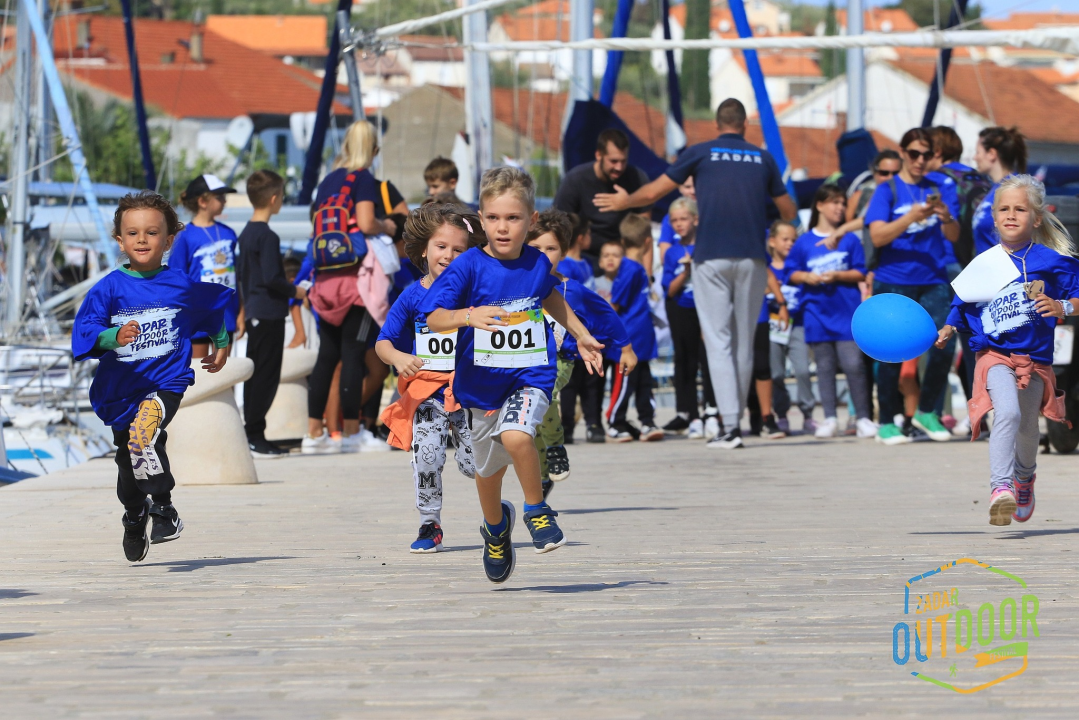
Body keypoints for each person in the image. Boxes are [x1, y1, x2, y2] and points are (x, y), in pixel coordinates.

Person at [422, 167, 604, 584]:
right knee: (488, 473)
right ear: (482, 220)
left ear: (531, 220)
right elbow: (433, 317)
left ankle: (537, 511)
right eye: (494, 218)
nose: (503, 228)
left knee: (518, 435)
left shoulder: (538, 263)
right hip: (481, 386)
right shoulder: (468, 266)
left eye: (513, 218)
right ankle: (496, 529)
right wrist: (469, 316)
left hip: (530, 373)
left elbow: (551, 297)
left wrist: (582, 334)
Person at [594, 98, 798, 449]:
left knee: (718, 341)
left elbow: (657, 190)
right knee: (744, 342)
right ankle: (740, 424)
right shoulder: (762, 157)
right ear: (744, 125)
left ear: (717, 125)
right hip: (752, 257)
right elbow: (789, 210)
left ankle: (729, 426)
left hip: (711, 258)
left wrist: (624, 203)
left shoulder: (700, 152)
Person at [72, 191, 232, 562]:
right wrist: (114, 336)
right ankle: (134, 513)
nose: (141, 240)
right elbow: (86, 330)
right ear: (120, 240)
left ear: (169, 239)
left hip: (166, 382)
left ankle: (163, 507)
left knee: (146, 431)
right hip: (121, 390)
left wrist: (220, 341)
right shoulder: (109, 287)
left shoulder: (178, 283)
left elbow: (207, 309)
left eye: (151, 232)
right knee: (130, 456)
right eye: (132, 233)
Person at [936, 175, 1079, 526]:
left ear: (1037, 218)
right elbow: (961, 302)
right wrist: (948, 327)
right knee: (1008, 415)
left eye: (1020, 208)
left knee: (1029, 427)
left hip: (1036, 359)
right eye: (1004, 209)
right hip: (994, 355)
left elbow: (1075, 297)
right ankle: (1001, 489)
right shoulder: (984, 262)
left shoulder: (1053, 261)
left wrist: (1064, 308)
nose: (1011, 215)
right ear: (994, 217)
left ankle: (1024, 478)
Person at [377, 204, 484, 553]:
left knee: (475, 465)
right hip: (427, 393)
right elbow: (383, 343)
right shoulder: (412, 295)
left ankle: (498, 513)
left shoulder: (477, 293)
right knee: (426, 457)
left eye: (459, 249)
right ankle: (429, 523)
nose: (448, 255)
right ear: (424, 248)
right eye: (441, 247)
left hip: (470, 394)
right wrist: (398, 357)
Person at [304, 120, 398, 454]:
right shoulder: (364, 179)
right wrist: (387, 225)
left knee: (326, 358)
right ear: (372, 150)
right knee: (353, 356)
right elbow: (368, 221)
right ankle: (352, 432)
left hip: (326, 279)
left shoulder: (328, 180)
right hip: (356, 281)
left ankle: (314, 434)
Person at [528, 208, 636, 497]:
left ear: (563, 252)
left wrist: (625, 347)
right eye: (535, 248)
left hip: (561, 361)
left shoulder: (570, 289)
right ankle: (541, 475)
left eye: (550, 249)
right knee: (530, 423)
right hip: (525, 362)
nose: (542, 254)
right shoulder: (515, 287)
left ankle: (555, 446)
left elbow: (606, 313)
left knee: (544, 392)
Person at [865, 127, 961, 445]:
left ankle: (926, 410)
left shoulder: (939, 186)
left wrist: (946, 216)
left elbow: (954, 237)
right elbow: (877, 236)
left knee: (943, 342)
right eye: (914, 154)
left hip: (933, 277)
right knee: (888, 350)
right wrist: (911, 218)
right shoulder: (887, 190)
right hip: (893, 279)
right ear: (903, 153)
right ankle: (886, 421)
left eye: (927, 154)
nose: (920, 161)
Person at [787, 184, 876, 439]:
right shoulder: (804, 241)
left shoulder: (848, 239)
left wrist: (837, 274)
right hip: (816, 313)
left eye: (842, 203)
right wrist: (806, 276)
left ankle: (863, 418)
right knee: (824, 367)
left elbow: (860, 271)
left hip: (846, 312)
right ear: (820, 205)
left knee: (853, 364)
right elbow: (790, 272)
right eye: (834, 202)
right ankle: (828, 418)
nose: (839, 208)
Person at [237, 170, 306, 458]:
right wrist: (296, 291)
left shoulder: (245, 233)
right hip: (268, 313)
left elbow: (242, 277)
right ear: (275, 199)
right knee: (266, 376)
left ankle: (254, 432)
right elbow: (272, 278)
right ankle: (254, 435)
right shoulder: (267, 236)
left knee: (257, 375)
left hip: (254, 311)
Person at [603, 215, 662, 442]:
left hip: (642, 336)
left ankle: (647, 421)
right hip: (629, 338)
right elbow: (614, 306)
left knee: (645, 382)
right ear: (648, 242)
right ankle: (615, 422)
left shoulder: (633, 269)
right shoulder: (630, 269)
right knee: (625, 383)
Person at [170, 174, 240, 360]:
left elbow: (236, 277)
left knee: (226, 375)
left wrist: (241, 312)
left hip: (227, 315)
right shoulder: (183, 236)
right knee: (198, 377)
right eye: (219, 197)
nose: (224, 200)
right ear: (202, 201)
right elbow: (175, 279)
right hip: (196, 316)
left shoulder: (229, 233)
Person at [661, 197, 714, 438]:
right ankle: (692, 414)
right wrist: (686, 271)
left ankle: (712, 410)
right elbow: (669, 290)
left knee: (709, 360)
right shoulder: (673, 252)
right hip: (682, 308)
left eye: (683, 219)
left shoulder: (709, 246)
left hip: (708, 308)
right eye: (674, 221)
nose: (679, 224)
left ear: (696, 219)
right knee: (687, 361)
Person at [554, 128, 653, 257]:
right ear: (599, 155)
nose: (619, 167)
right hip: (583, 256)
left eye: (623, 161)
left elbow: (644, 234)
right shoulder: (575, 180)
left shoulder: (637, 179)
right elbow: (557, 226)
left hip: (622, 258)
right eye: (613, 161)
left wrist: (647, 275)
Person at [767, 220, 815, 435]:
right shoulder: (765, 270)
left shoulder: (801, 268)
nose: (790, 244)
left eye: (794, 240)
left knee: (803, 370)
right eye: (785, 239)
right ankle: (782, 413)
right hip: (773, 326)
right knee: (776, 373)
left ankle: (808, 414)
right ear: (772, 241)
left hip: (798, 324)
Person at [972, 127, 1028, 257]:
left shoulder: (1014, 189)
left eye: (978, 152)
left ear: (991, 154)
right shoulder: (996, 188)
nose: (975, 158)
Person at [656, 176, 696, 262]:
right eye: (687, 187)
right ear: (679, 188)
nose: (693, 191)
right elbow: (665, 259)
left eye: (697, 185)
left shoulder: (712, 215)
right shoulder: (669, 218)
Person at [558, 213, 594, 288]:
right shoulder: (564, 267)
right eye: (588, 233)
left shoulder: (587, 260)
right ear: (580, 238)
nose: (591, 237)